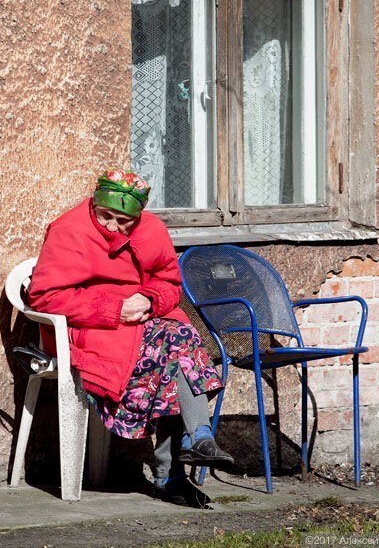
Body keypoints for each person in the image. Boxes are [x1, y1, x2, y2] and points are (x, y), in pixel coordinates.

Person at [28, 169, 233, 508]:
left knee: (179, 340)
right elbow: (44, 297)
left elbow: (170, 284)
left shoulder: (152, 230)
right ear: (94, 204)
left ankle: (196, 441)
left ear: (138, 216)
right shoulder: (68, 231)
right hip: (92, 329)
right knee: (175, 350)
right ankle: (178, 465)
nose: (111, 226)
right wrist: (113, 309)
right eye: (104, 215)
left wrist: (151, 300)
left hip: (145, 321)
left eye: (122, 220)